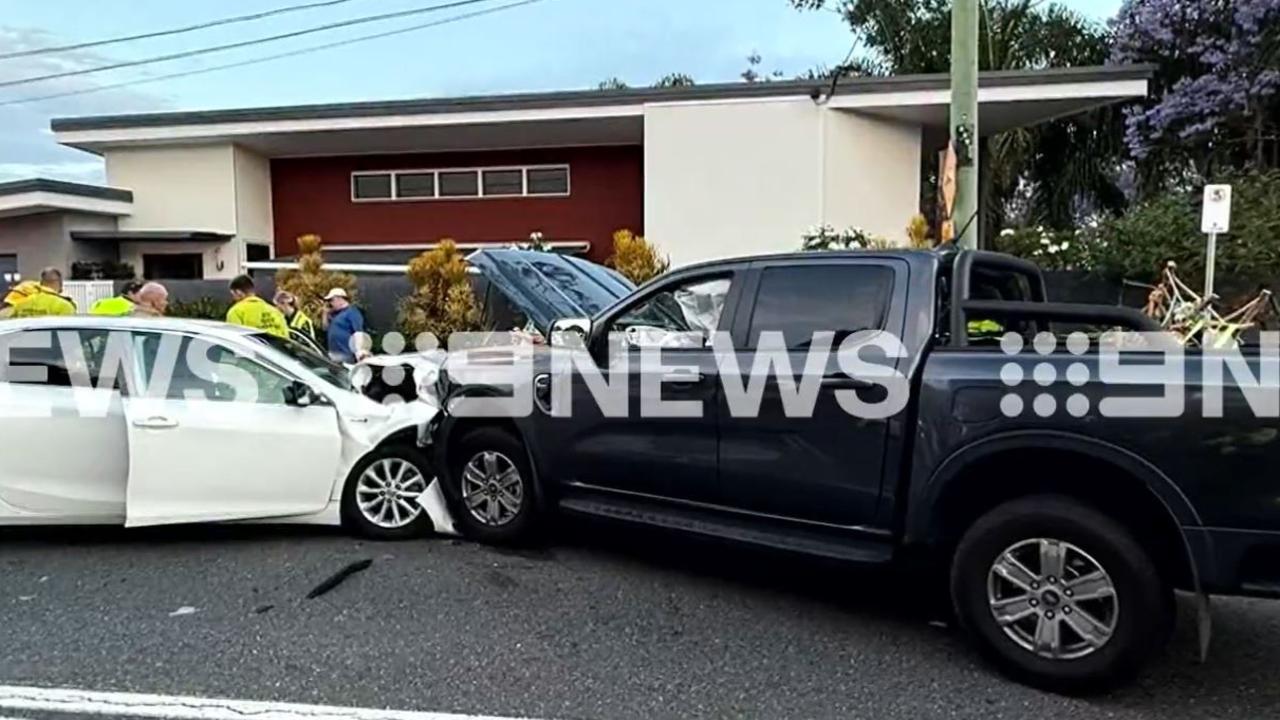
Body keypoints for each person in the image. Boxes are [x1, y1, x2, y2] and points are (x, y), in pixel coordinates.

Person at [8, 268, 75, 318]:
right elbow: (68, 334)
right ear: (60, 283)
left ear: (41, 283)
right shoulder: (65, 306)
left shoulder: (21, 303)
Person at [322, 287, 366, 362]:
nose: (330, 303)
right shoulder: (335, 314)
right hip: (333, 353)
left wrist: (359, 352)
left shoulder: (352, 312)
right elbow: (325, 328)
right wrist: (325, 314)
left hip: (345, 353)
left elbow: (358, 333)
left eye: (332, 300)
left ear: (339, 299)